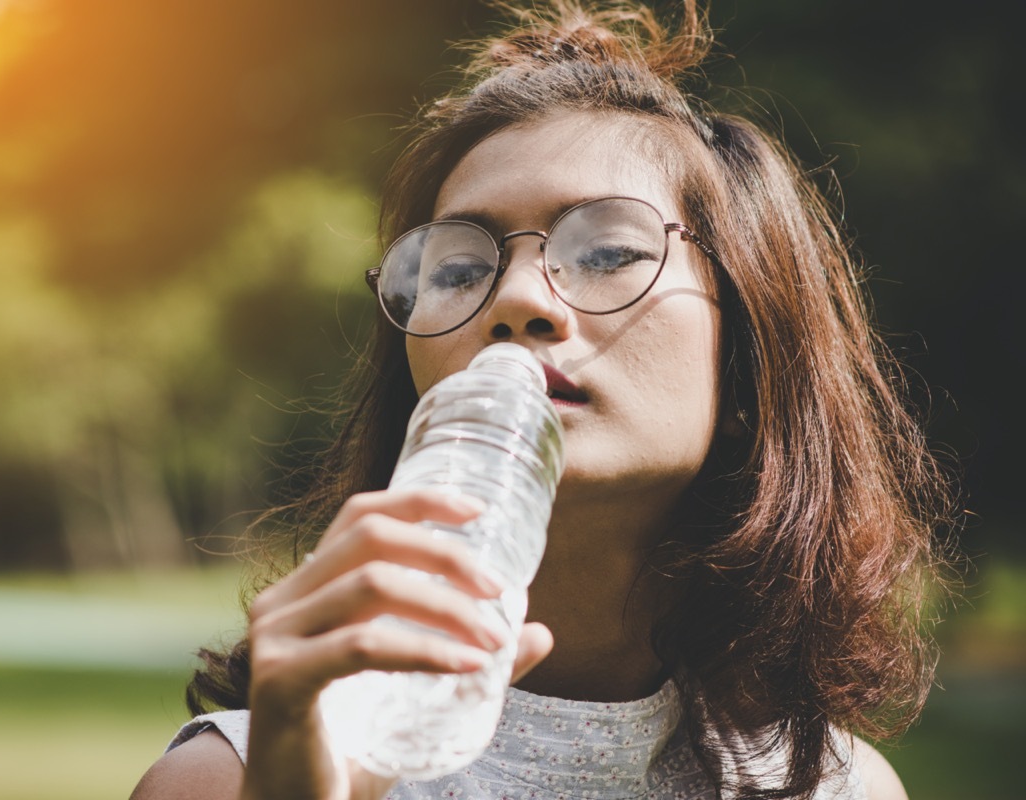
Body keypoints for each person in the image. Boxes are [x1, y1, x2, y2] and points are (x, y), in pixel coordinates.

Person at [130, 2, 954, 798]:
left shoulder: (836, 788)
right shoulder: (228, 784)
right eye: (456, 270)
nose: (517, 297)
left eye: (607, 251)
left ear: (746, 364)